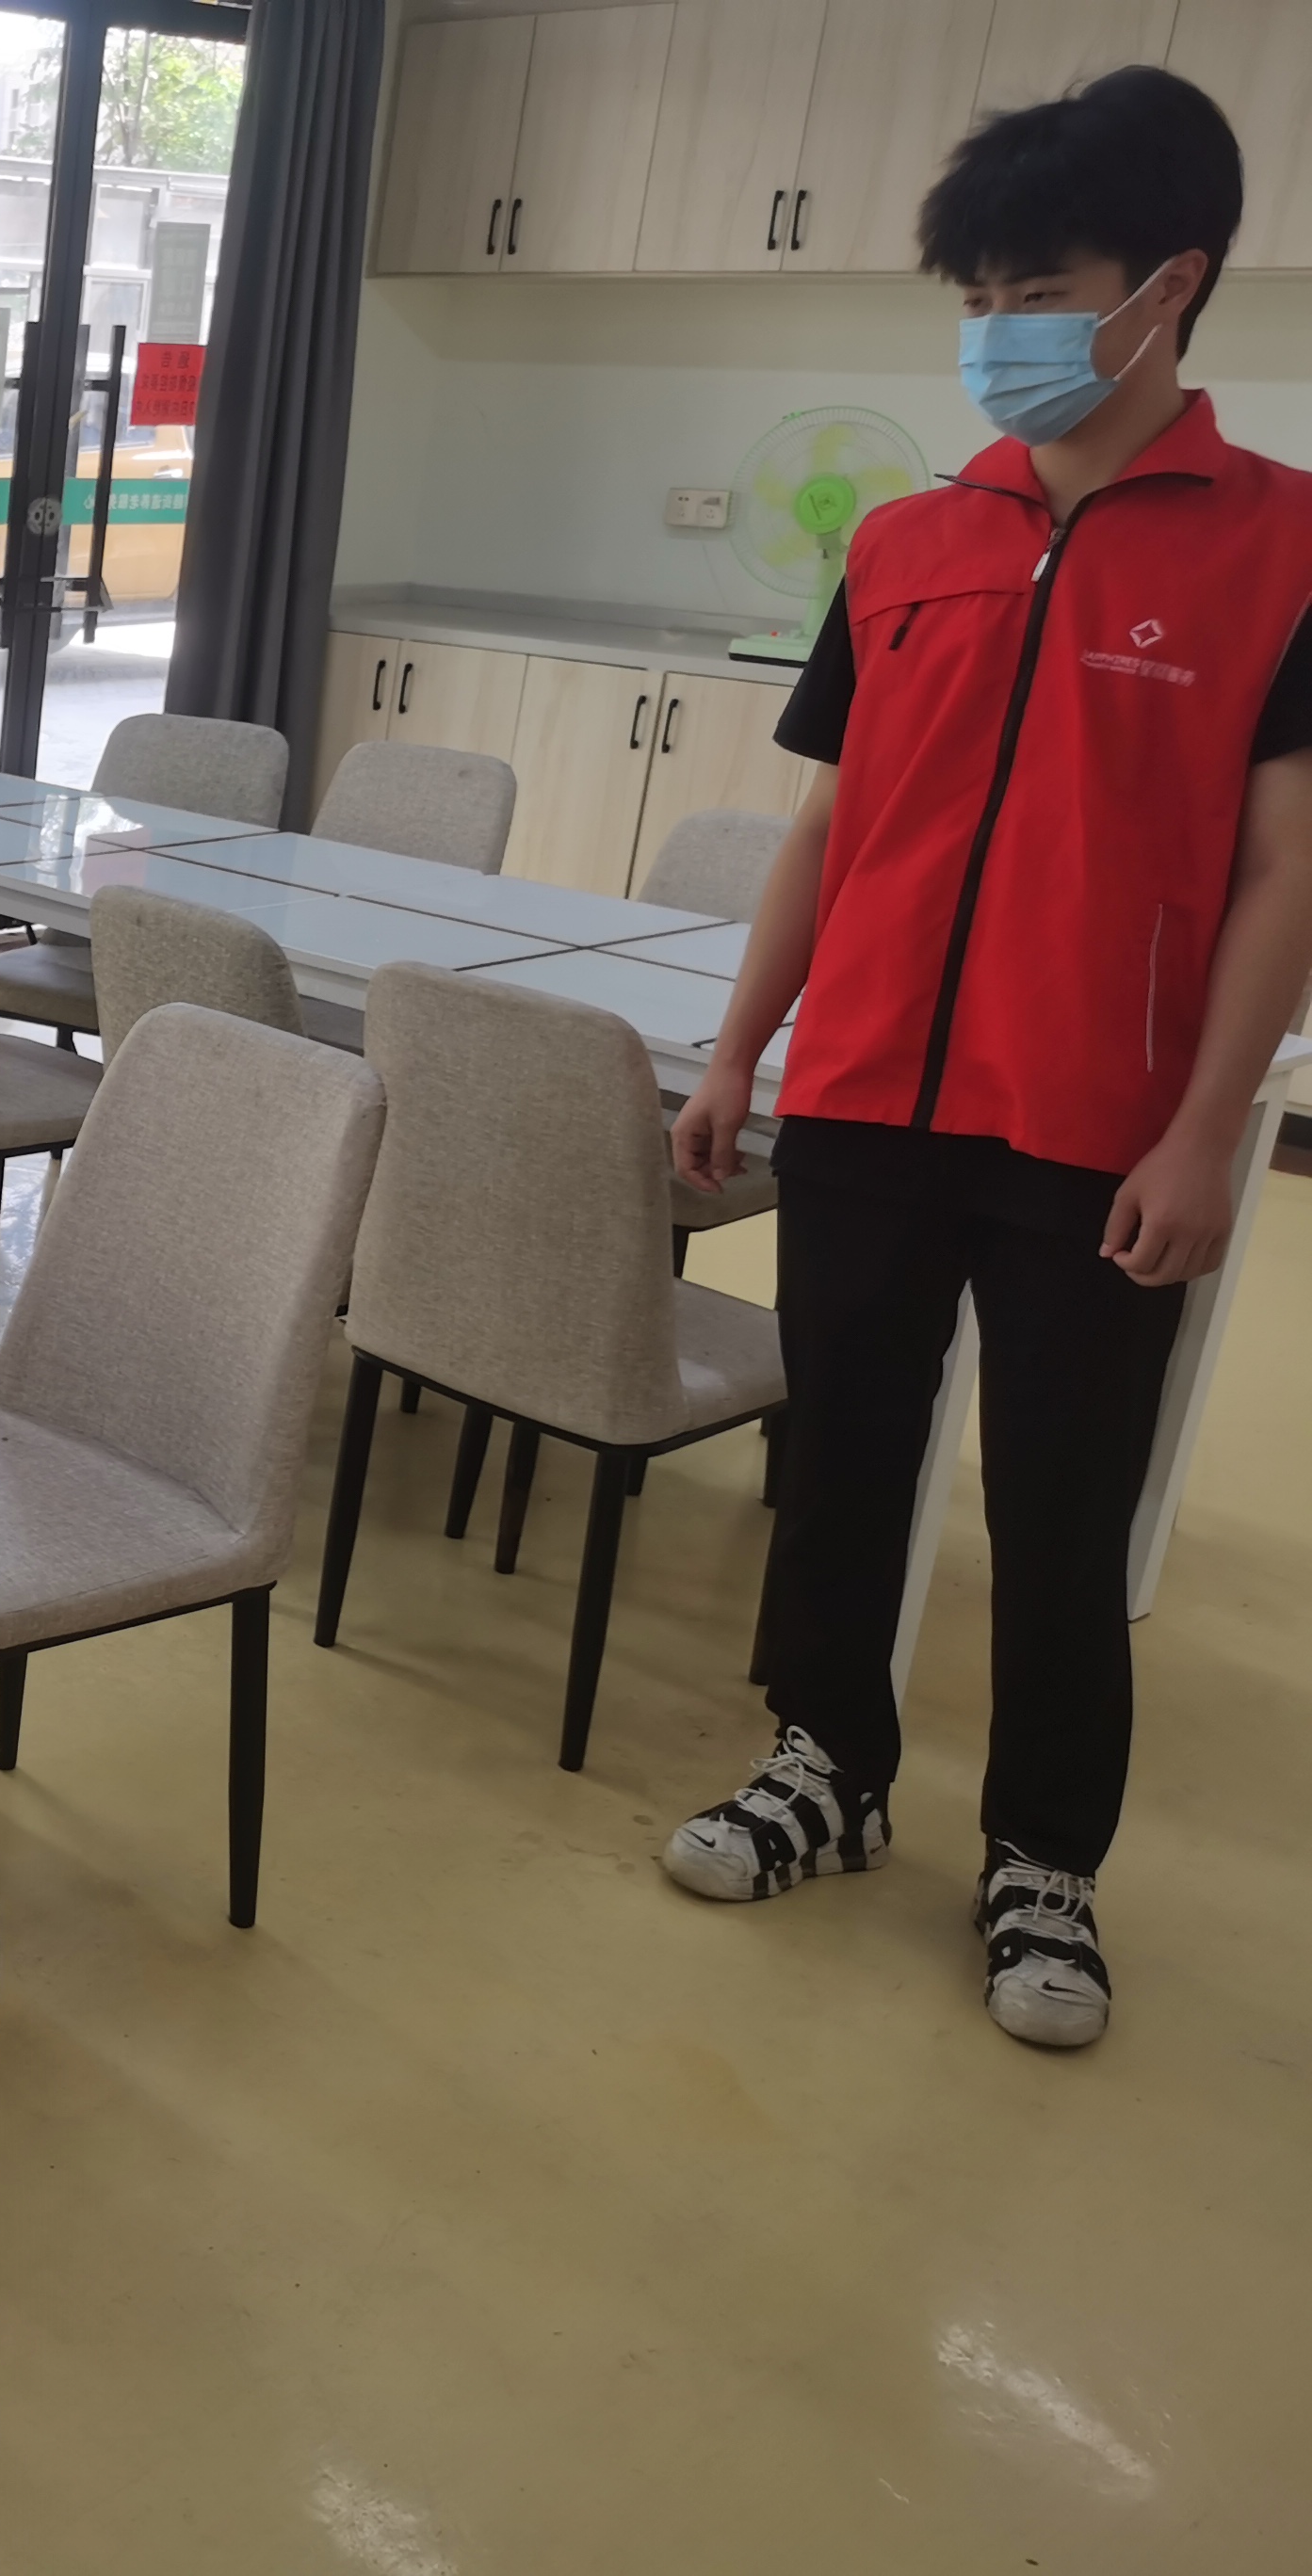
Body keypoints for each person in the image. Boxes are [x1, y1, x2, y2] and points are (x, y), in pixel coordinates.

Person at [665, 68, 1312, 2049]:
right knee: (840, 1458)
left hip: (1095, 1123)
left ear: (1169, 287)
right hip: (868, 1092)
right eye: (978, 300)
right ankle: (826, 1767)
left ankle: (1044, 1857)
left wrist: (1207, 1135)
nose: (999, 335)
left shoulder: (1282, 550)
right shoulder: (905, 542)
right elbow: (827, 820)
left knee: (1059, 1502)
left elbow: (1287, 873)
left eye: (1041, 292)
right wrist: (740, 1047)